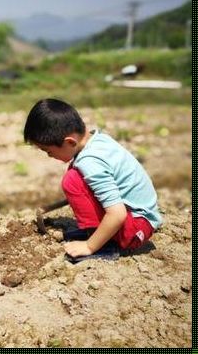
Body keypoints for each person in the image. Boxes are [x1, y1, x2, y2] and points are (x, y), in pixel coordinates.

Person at [23, 98, 162, 259]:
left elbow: (117, 214)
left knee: (72, 181)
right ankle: (100, 233)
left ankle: (104, 242)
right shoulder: (97, 139)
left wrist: (89, 246)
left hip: (135, 228)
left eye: (48, 151)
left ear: (69, 142)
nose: (49, 156)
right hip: (139, 217)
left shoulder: (91, 162)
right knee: (75, 174)